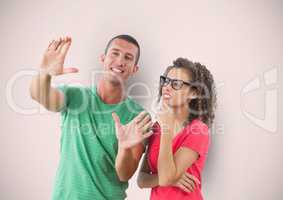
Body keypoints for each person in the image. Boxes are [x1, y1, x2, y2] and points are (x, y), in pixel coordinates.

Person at [29, 35, 153, 200]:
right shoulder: (74, 96)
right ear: (103, 59)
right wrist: (45, 72)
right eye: (114, 53)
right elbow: (39, 95)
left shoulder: (138, 116)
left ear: (134, 69)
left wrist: (124, 147)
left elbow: (125, 175)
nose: (120, 61)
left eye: (128, 57)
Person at [136, 58, 217, 199]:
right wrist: (171, 178)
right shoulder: (156, 128)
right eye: (166, 81)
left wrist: (166, 128)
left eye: (176, 84)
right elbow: (141, 180)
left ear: (194, 93)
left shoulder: (198, 131)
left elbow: (166, 178)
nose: (167, 87)